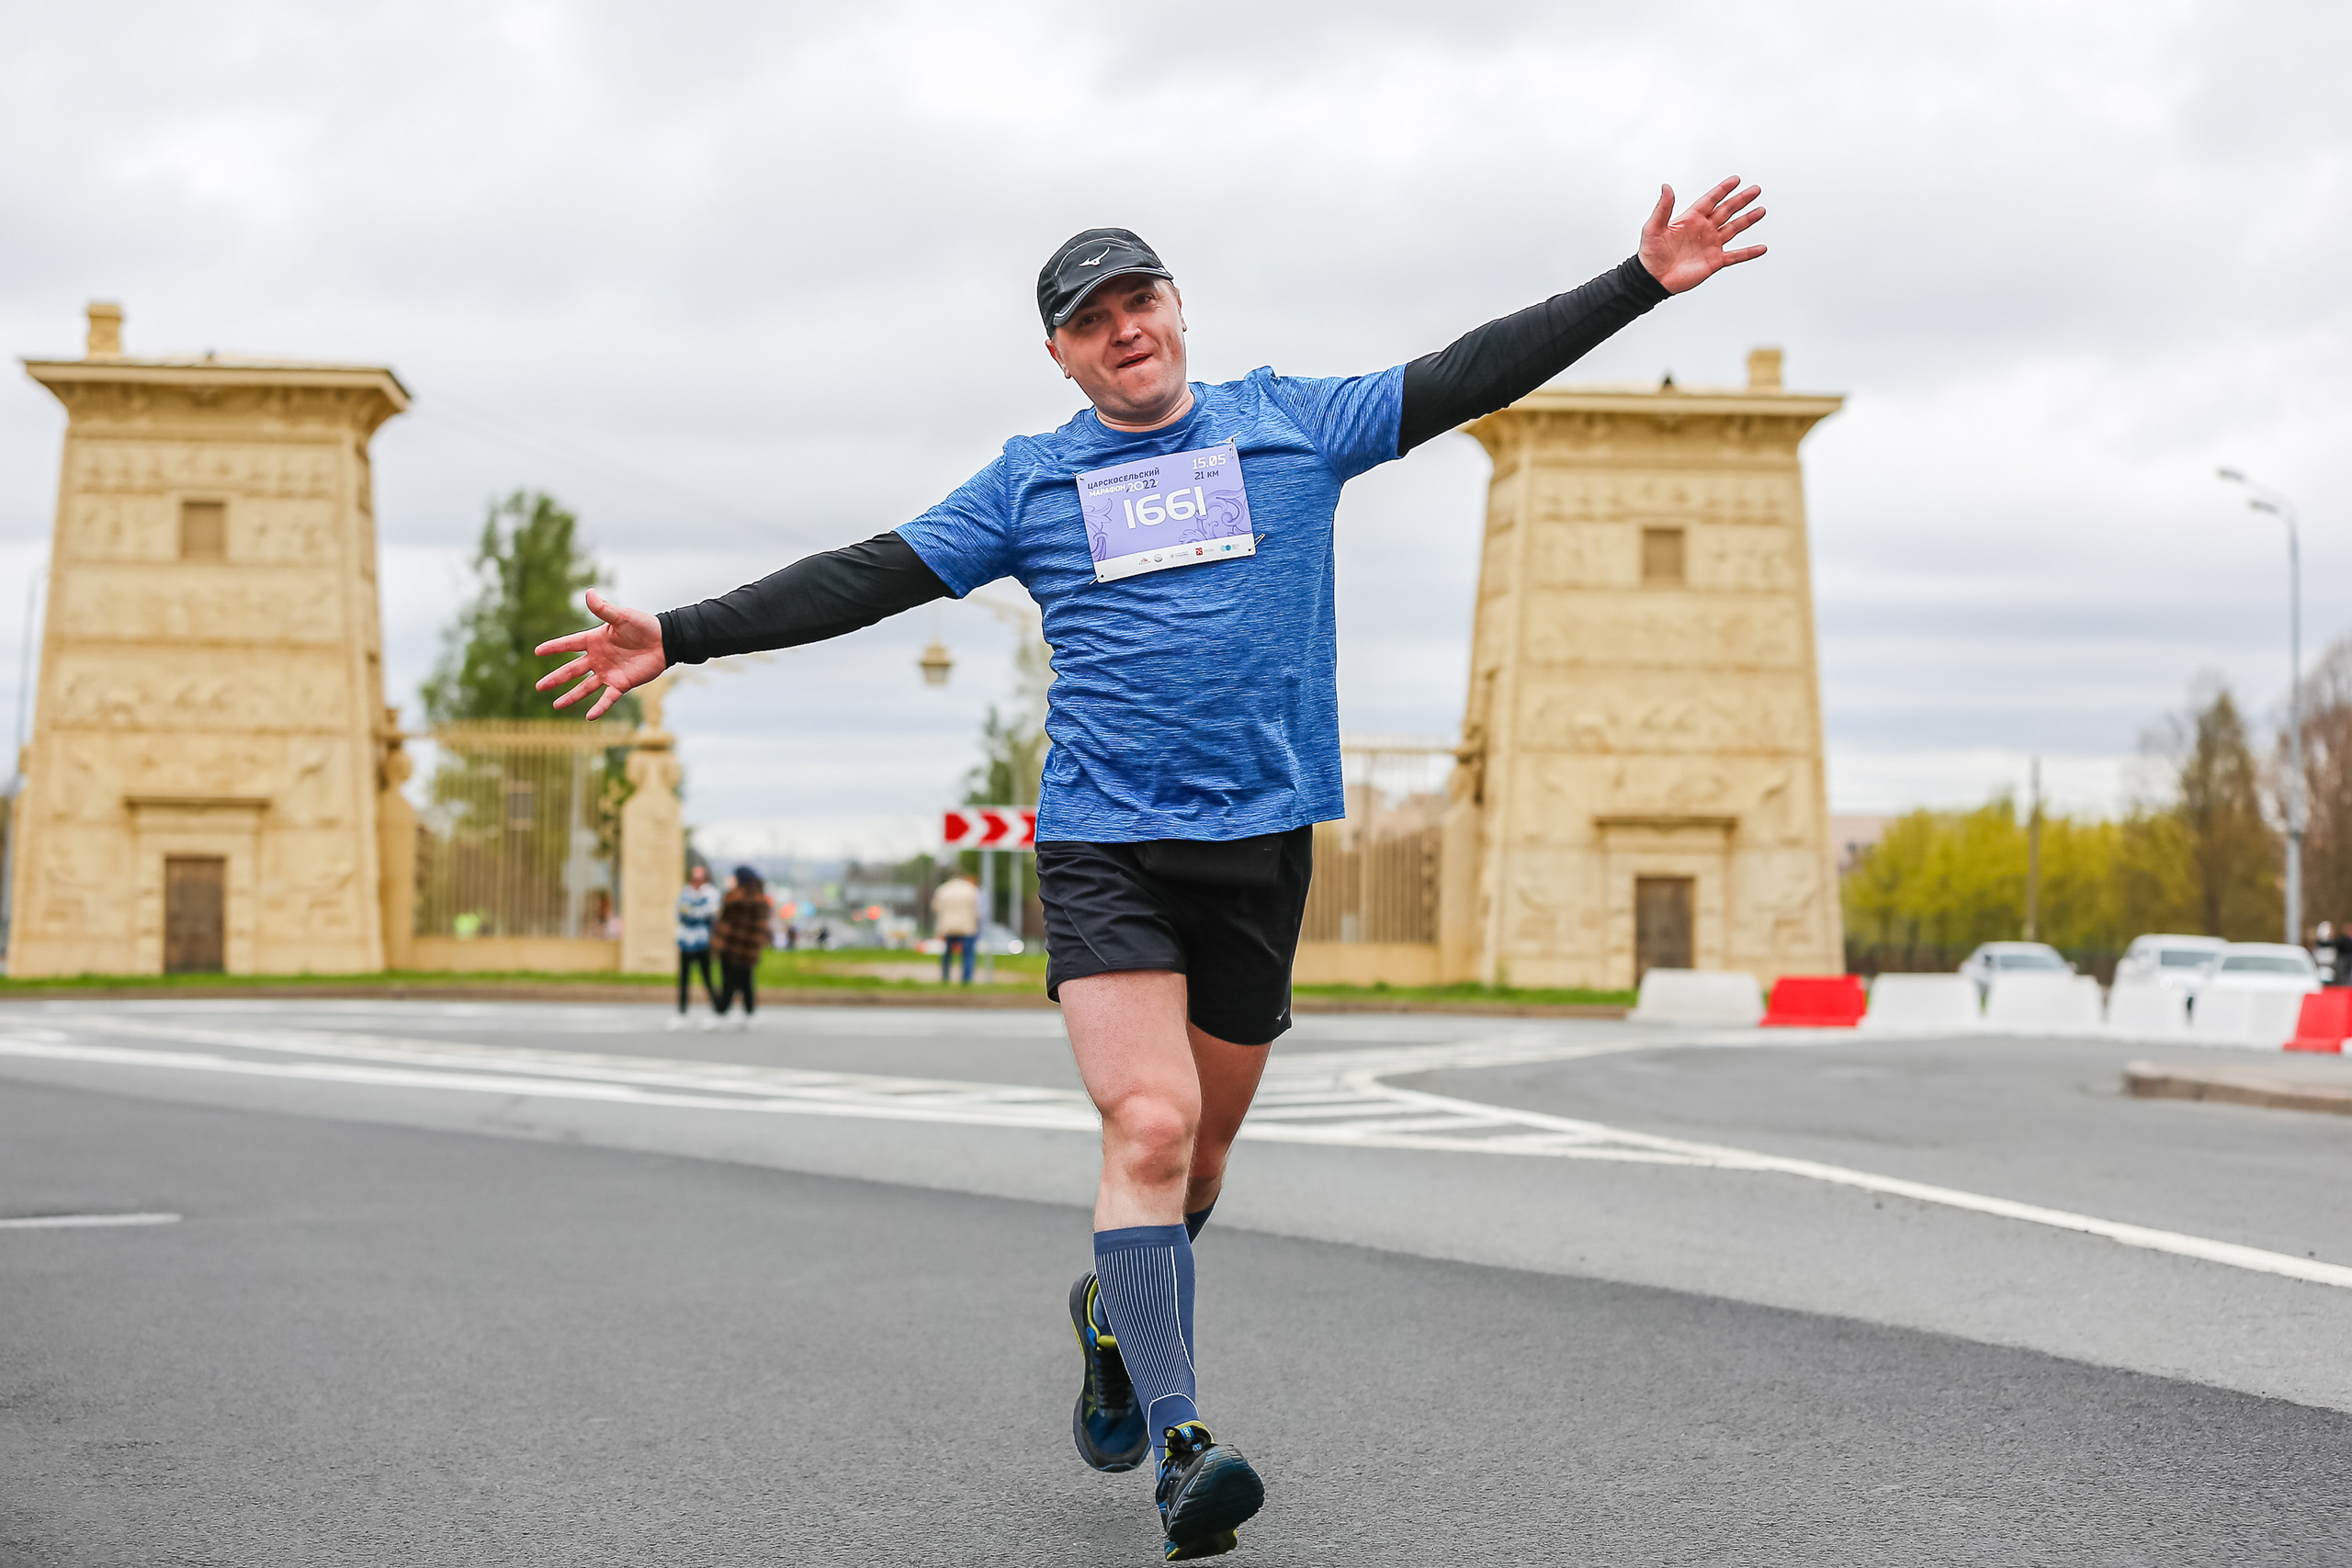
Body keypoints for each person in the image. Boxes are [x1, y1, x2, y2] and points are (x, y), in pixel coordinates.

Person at [534, 177, 1766, 1561]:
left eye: (1141, 301)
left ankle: (1113, 1314)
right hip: (1106, 841)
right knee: (1152, 1126)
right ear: (1059, 353)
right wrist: (681, 633)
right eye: (1091, 319)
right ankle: (1185, 1443)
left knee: (1206, 1158)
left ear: (1178, 311)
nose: (1125, 331)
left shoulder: (1294, 423)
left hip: (1260, 848)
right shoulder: (1032, 480)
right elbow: (873, 572)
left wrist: (1638, 282)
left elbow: (1469, 372)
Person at [712, 865, 771, 1028]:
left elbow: (723, 924)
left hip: (730, 946)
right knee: (746, 982)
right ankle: (749, 1013)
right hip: (749, 948)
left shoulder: (733, 897)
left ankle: (722, 1013)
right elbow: (762, 927)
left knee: (727, 982)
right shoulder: (761, 899)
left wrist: (717, 946)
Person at [670, 863, 721, 1031]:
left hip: (703, 941)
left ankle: (715, 1010)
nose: (696, 881)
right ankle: (682, 1012)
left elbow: (709, 913)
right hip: (686, 942)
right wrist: (695, 911)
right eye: (694, 878)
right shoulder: (685, 892)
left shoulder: (711, 893)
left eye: (700, 878)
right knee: (684, 979)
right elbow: (681, 913)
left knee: (707, 978)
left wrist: (694, 911)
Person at [933, 871, 981, 985]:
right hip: (967, 927)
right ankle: (966, 979)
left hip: (948, 927)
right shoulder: (970, 889)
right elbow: (977, 910)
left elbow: (936, 908)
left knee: (947, 954)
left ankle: (945, 978)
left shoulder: (943, 890)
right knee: (968, 954)